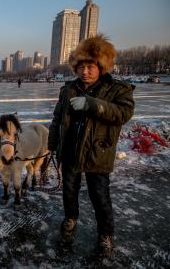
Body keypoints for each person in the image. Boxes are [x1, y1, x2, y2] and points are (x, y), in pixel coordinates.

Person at [48, 35, 134, 259]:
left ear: (101, 67)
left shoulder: (117, 89)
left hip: (98, 152)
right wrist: (52, 143)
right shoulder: (68, 90)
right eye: (81, 67)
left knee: (100, 196)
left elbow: (123, 114)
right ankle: (70, 219)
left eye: (90, 66)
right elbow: (57, 118)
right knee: (69, 192)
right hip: (70, 151)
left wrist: (92, 104)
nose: (85, 71)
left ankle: (106, 235)